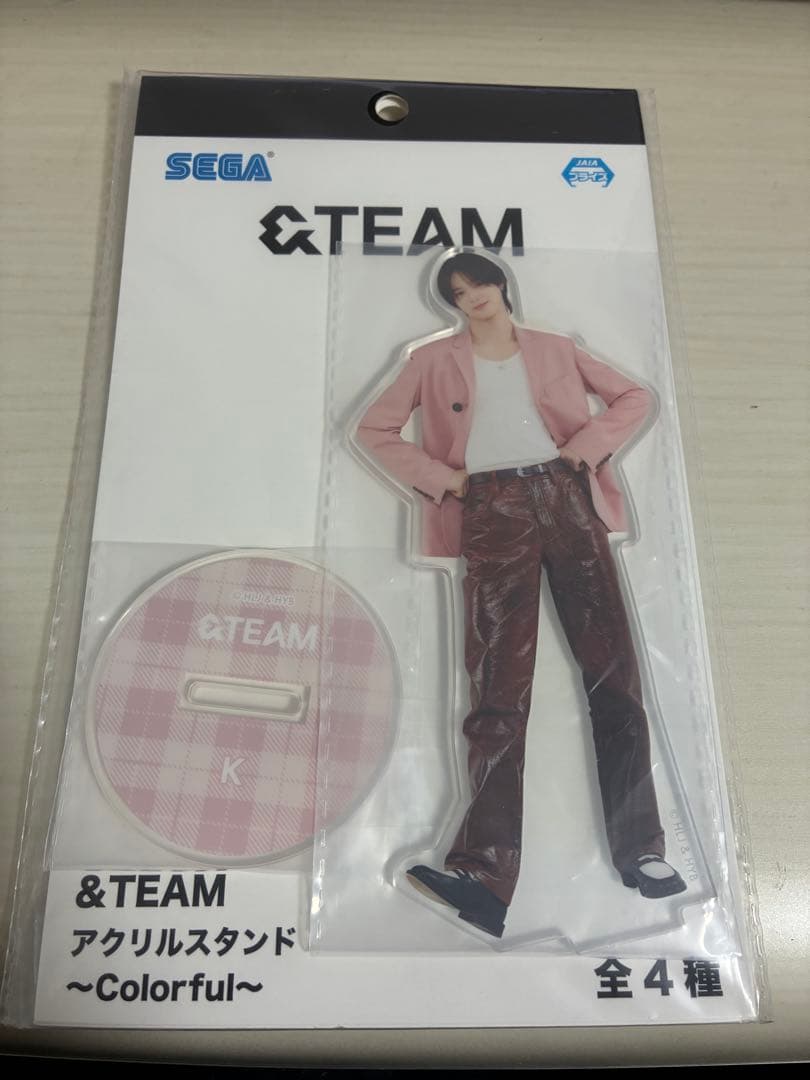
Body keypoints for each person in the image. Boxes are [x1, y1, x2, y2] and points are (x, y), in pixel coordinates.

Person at [356, 251, 686, 939]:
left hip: (566, 496)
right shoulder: (430, 361)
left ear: (500, 283)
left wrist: (584, 448)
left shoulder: (555, 347)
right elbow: (373, 430)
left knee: (614, 678)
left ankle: (643, 851)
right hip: (490, 509)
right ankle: (484, 877)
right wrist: (445, 479)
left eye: (479, 282)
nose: (473, 295)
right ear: (451, 303)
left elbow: (634, 398)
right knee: (498, 692)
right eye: (458, 290)